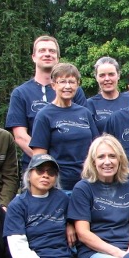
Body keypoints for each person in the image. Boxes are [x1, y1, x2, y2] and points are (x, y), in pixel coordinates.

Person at [5, 36, 87, 172]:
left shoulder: (74, 91)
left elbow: (84, 129)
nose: (47, 54)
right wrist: (46, 163)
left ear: (58, 57)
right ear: (33, 57)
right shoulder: (20, 93)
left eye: (52, 51)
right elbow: (20, 136)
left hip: (74, 170)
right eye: (42, 50)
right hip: (37, 170)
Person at [30, 62, 100, 192]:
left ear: (77, 85)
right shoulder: (44, 115)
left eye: (72, 82)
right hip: (58, 185)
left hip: (87, 183)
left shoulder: (84, 113)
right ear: (53, 85)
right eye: (62, 82)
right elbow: (39, 158)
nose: (67, 86)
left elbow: (96, 149)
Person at [86, 57, 129, 130]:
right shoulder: (89, 105)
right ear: (96, 77)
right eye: (102, 75)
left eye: (111, 74)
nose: (107, 79)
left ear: (118, 75)